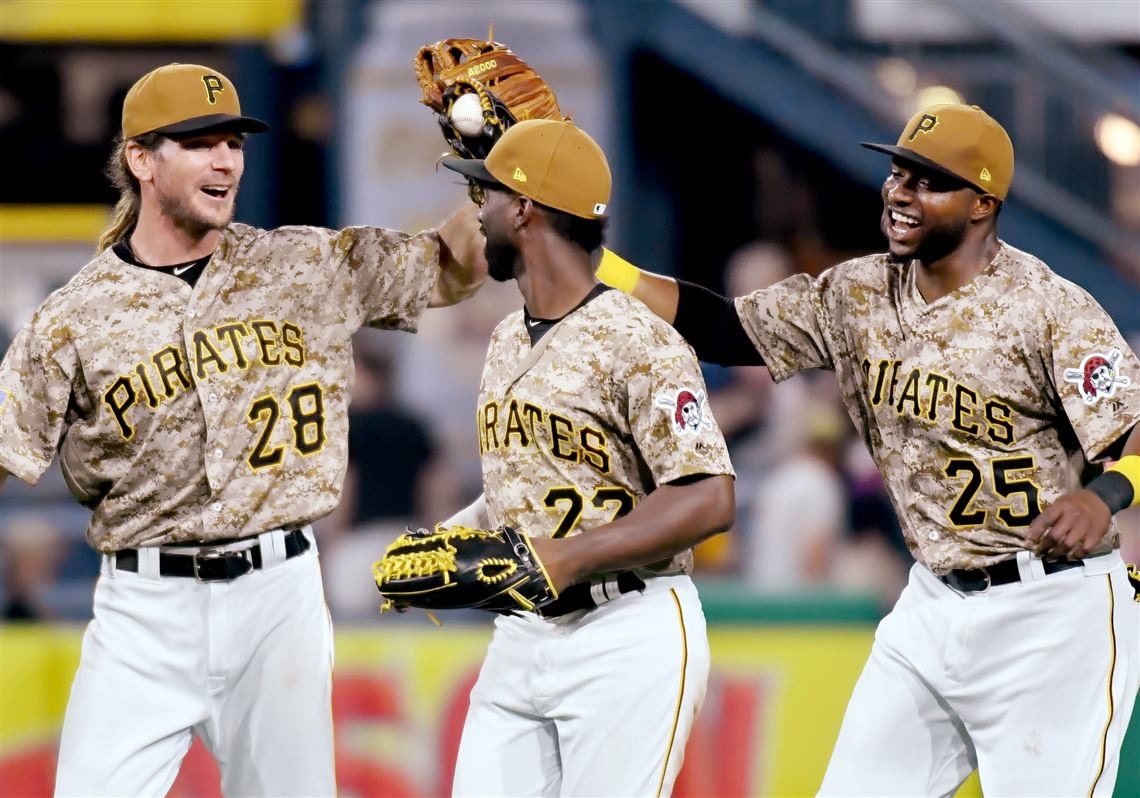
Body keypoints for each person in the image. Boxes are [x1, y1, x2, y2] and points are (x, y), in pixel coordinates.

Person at [594, 104, 1140, 796]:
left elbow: (1133, 425)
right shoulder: (857, 292)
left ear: (981, 204)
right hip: (932, 605)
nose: (900, 193)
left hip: (1053, 617)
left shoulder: (1048, 307)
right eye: (898, 172)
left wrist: (1106, 493)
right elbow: (725, 329)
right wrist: (597, 261)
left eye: (927, 181)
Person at [0, 63, 485, 796]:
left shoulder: (301, 263)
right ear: (141, 159)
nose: (224, 159)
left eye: (233, 142)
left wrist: (496, 165)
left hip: (276, 595)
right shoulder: (73, 317)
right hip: (143, 608)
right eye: (198, 143)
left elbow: (452, 268)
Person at [436, 118, 736, 797]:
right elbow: (529, 480)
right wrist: (454, 542)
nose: (475, 213)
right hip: (523, 639)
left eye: (484, 195)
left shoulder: (639, 337)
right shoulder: (507, 337)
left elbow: (709, 495)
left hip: (627, 629)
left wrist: (568, 556)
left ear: (524, 209)